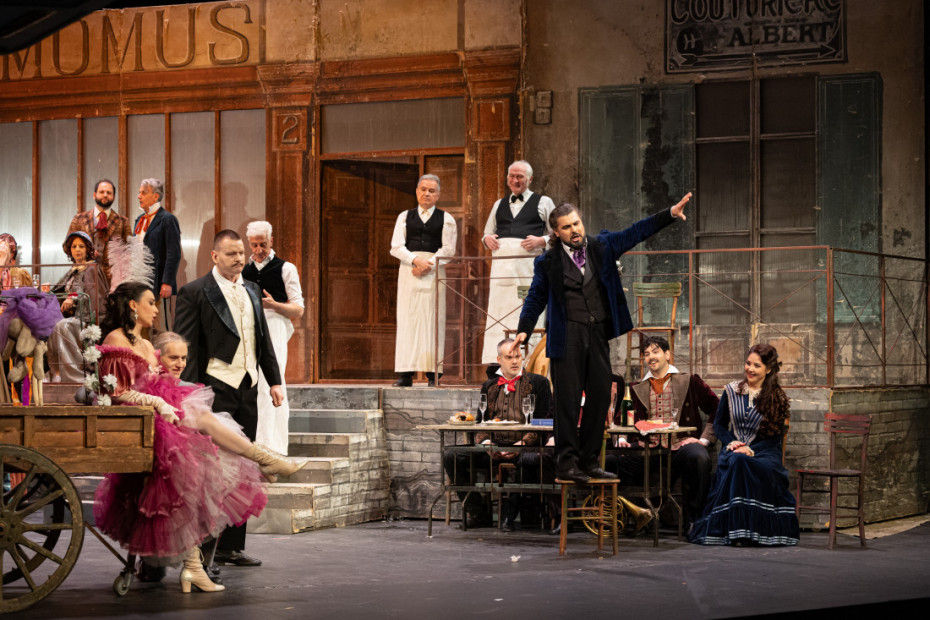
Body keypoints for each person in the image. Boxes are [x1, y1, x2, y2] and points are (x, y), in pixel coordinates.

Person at [93, 284, 307, 592]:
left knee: (205, 460)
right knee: (198, 435)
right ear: (132, 306)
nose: (155, 308)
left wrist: (165, 396)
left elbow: (156, 380)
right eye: (150, 302)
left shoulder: (144, 342)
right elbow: (117, 393)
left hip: (161, 416)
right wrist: (158, 402)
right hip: (139, 421)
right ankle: (264, 460)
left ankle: (195, 565)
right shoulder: (116, 339)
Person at [512, 193, 693, 483]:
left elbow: (636, 232)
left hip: (596, 333)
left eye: (577, 223)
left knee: (599, 398)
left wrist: (669, 213)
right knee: (568, 402)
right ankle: (566, 464)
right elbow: (535, 297)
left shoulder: (602, 246)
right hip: (566, 336)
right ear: (556, 232)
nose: (575, 230)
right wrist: (524, 327)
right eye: (567, 227)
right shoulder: (548, 262)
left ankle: (589, 462)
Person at [174, 230, 286, 568]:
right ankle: (202, 551)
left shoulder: (251, 288)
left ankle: (231, 547)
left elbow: (261, 339)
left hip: (247, 386)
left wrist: (274, 381)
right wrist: (191, 394)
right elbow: (186, 347)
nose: (239, 259)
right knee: (212, 470)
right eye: (231, 254)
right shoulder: (195, 291)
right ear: (214, 256)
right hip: (214, 388)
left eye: (241, 253)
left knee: (244, 466)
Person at [688, 343, 800, 546]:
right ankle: (736, 531)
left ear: (768, 369)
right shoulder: (731, 391)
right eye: (748, 363)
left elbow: (774, 437)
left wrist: (752, 450)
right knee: (738, 460)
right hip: (734, 448)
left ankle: (750, 532)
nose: (750, 369)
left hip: (766, 452)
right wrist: (732, 443)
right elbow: (719, 425)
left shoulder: (776, 397)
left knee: (746, 462)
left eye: (757, 365)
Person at [443, 338, 553, 529]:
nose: (515, 361)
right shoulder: (489, 386)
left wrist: (521, 445)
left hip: (524, 445)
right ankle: (478, 512)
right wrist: (487, 444)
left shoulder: (539, 383)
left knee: (527, 461)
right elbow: (481, 422)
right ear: (499, 359)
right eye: (509, 357)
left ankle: (508, 516)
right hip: (493, 446)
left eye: (518, 356)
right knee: (452, 455)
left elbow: (543, 421)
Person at [609, 336, 718, 528]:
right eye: (646, 354)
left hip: (679, 446)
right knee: (610, 461)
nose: (651, 357)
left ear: (667, 354)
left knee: (699, 458)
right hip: (647, 448)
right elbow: (619, 422)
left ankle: (696, 519)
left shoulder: (689, 381)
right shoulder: (636, 388)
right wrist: (621, 440)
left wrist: (703, 440)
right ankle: (640, 515)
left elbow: (718, 409)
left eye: (655, 351)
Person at [479, 161, 555, 367]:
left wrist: (541, 241)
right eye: (512, 176)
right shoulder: (498, 204)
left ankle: (531, 363)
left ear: (530, 179)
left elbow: (557, 234)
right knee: (499, 314)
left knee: (528, 311)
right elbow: (487, 233)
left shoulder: (544, 202)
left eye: (520, 176)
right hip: (501, 273)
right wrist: (487, 239)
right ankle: (497, 364)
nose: (515, 180)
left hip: (528, 269)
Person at [242, 221, 304, 454]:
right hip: (248, 325)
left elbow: (298, 309)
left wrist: (274, 305)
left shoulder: (286, 268)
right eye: (254, 245)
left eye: (263, 244)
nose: (258, 250)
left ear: (272, 241)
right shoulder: (244, 270)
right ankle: (254, 440)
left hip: (275, 324)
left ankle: (273, 445)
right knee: (252, 382)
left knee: (272, 381)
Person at [390, 174, 457, 387]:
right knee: (408, 320)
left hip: (434, 272)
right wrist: (415, 261)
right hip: (409, 271)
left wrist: (428, 264)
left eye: (431, 191)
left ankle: (433, 374)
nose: (427, 194)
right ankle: (405, 374)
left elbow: (449, 249)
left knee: (433, 320)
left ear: (438, 195)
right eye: (423, 189)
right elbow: (396, 246)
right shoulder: (404, 216)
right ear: (417, 191)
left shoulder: (447, 219)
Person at [46, 231, 110, 382]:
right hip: (72, 317)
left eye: (81, 246)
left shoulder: (92, 268)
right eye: (74, 246)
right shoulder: (73, 270)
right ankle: (55, 373)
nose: (77, 250)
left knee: (62, 326)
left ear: (88, 249)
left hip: (88, 318)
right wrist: (47, 291)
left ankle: (74, 377)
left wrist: (74, 299)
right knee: (46, 324)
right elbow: (60, 292)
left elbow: (94, 296)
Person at [133, 178, 181, 333]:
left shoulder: (167, 219)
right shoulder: (139, 220)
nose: (139, 196)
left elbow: (173, 253)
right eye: (139, 193)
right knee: (141, 325)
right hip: (140, 282)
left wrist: (167, 282)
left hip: (158, 283)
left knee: (160, 328)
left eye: (143, 193)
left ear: (156, 196)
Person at [66, 179, 131, 283]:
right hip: (84, 278)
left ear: (114, 197)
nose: (105, 195)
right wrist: (85, 253)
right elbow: (67, 246)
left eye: (109, 193)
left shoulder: (123, 222)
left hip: (113, 280)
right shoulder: (79, 219)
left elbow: (129, 252)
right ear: (94, 195)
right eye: (101, 192)